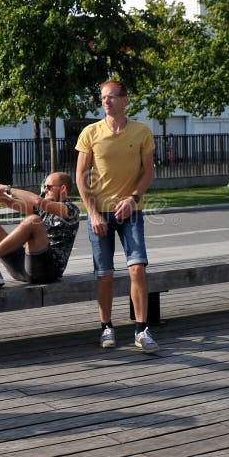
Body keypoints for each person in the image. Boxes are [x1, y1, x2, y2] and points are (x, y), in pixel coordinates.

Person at [75, 80, 158, 353]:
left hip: (130, 212)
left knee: (137, 268)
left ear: (125, 100)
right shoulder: (91, 132)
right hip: (100, 214)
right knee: (105, 274)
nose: (106, 102)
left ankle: (141, 329)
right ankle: (106, 326)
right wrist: (93, 213)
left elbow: (148, 172)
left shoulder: (142, 131)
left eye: (111, 97)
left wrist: (133, 199)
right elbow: (80, 177)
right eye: (102, 98)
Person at [0, 172, 80, 288]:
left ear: (63, 188)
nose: (45, 190)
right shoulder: (43, 210)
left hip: (47, 271)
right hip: (25, 265)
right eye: (44, 186)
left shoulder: (71, 210)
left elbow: (38, 201)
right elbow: (8, 202)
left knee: (32, 220)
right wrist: (0, 195)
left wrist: (7, 188)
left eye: (48, 187)